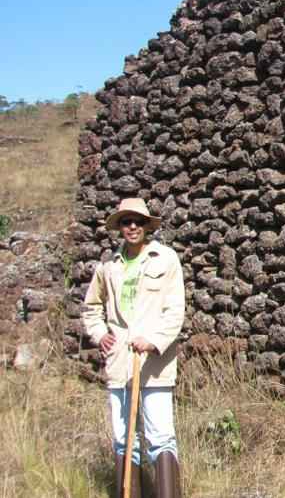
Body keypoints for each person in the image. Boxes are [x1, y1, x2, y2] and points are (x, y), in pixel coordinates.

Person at [82, 198, 185, 498]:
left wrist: (154, 341)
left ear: (146, 226)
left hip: (155, 365)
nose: (132, 227)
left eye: (138, 221)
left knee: (161, 437)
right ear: (120, 227)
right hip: (119, 365)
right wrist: (100, 334)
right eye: (126, 221)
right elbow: (91, 308)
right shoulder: (108, 267)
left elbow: (174, 309)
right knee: (123, 439)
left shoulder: (165, 260)